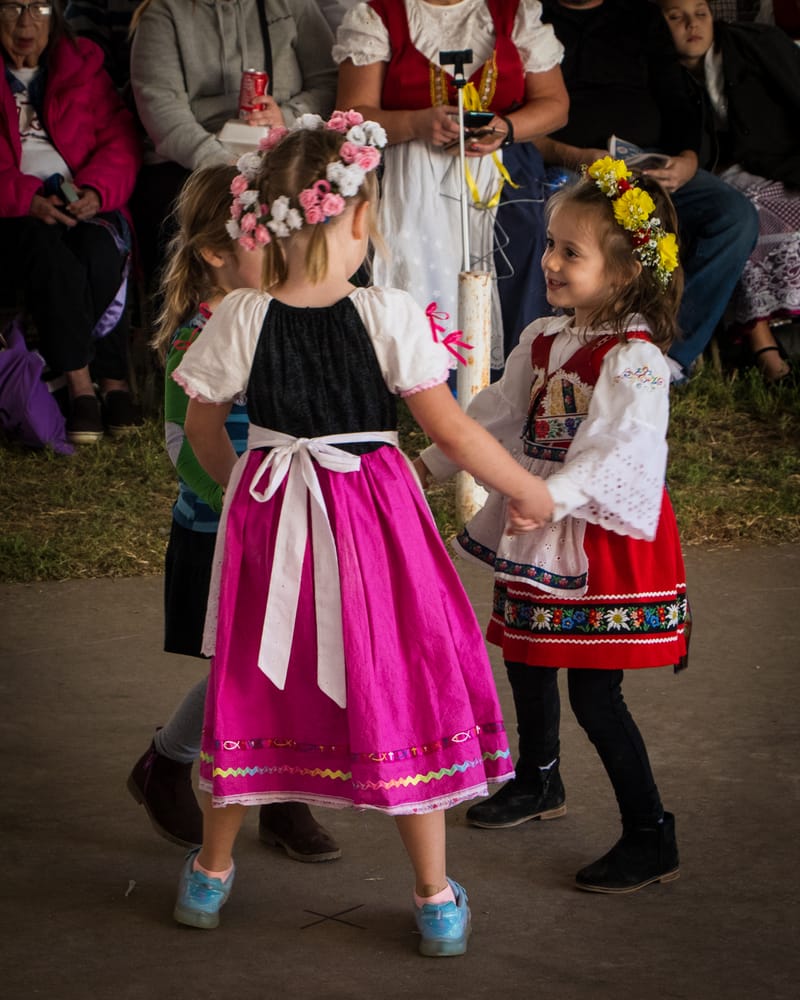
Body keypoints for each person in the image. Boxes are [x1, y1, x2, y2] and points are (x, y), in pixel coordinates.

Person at [168, 112, 553, 952]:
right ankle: (433, 895)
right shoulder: (388, 314)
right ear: (361, 217)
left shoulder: (240, 314)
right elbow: (450, 430)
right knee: (399, 669)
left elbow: (201, 428)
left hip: (273, 513)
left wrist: (246, 492)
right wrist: (526, 486)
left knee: (252, 677)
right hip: (373, 519)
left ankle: (210, 874)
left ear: (266, 221)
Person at [417, 157, 690, 894]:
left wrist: (554, 494)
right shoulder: (543, 337)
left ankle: (650, 835)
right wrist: (428, 467)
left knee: (596, 696)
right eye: (550, 246)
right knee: (527, 657)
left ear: (626, 272)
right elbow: (494, 416)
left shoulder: (634, 361)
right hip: (538, 523)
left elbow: (621, 447)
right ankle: (538, 779)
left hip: (595, 535)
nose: (550, 263)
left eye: (572, 252)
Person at [127, 163, 341, 862]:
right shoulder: (200, 332)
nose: (287, 251)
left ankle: (280, 796)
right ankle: (167, 762)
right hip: (224, 529)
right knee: (243, 668)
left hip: (291, 523)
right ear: (218, 253)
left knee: (290, 659)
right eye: (267, 238)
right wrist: (237, 502)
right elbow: (182, 440)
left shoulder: (283, 318)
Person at [334, 0, 569, 369]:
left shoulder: (514, 10)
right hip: (407, 169)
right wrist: (415, 124)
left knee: (525, 236)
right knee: (404, 243)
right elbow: (352, 113)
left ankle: (513, 369)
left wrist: (505, 128)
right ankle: (419, 371)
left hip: (503, 169)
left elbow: (555, 104)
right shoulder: (379, 13)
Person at [536, 0, 759, 383]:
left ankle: (665, 356)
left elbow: (678, 99)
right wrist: (573, 156)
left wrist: (687, 159)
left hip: (647, 165)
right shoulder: (533, 15)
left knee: (734, 216)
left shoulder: (639, 15)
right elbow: (522, 118)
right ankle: (573, 353)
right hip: (570, 166)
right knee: (563, 222)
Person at [0, 0, 142, 444]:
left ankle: (114, 381)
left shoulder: (81, 65)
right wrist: (24, 198)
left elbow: (120, 138)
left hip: (79, 195)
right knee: (52, 259)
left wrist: (97, 190)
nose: (26, 22)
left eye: (39, 7)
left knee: (101, 250)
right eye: (12, 7)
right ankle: (81, 385)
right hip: (15, 209)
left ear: (55, 15)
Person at [128, 0, 337, 289]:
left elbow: (329, 83)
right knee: (174, 209)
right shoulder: (163, 13)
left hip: (282, 149)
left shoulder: (293, 4)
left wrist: (288, 117)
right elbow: (162, 112)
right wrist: (226, 166)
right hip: (193, 161)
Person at [658, 0, 800, 383]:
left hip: (778, 165)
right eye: (676, 17)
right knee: (743, 210)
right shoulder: (659, 70)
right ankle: (763, 346)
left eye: (701, 14)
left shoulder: (755, 46)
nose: (692, 25)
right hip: (719, 177)